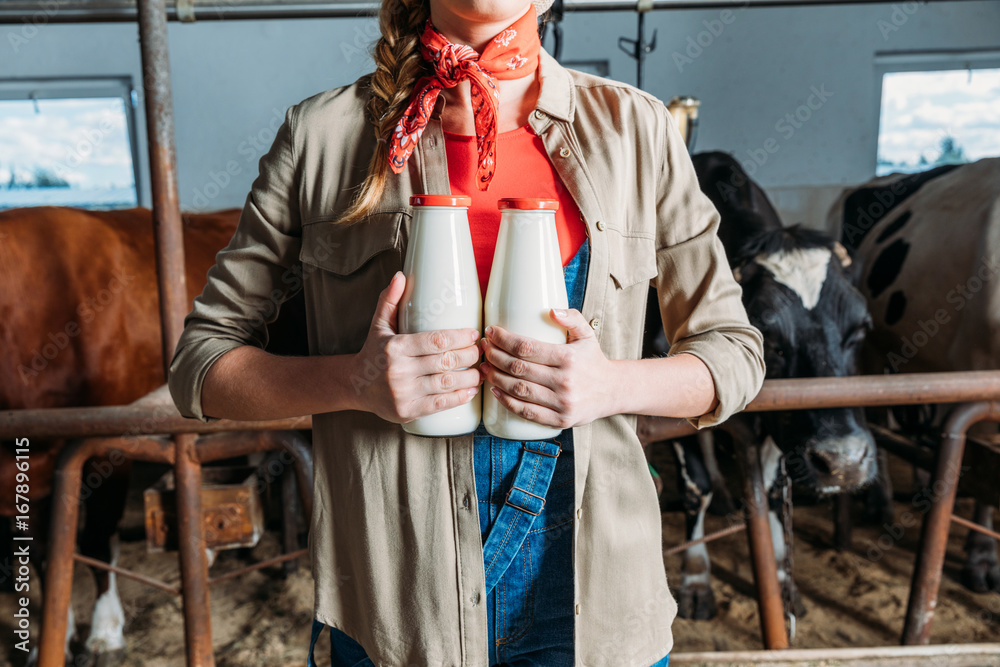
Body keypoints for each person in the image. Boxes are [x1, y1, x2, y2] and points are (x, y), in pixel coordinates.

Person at [167, 0, 765, 664]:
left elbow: (734, 355)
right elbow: (200, 365)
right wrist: (353, 381)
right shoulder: (321, 137)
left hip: (595, 604)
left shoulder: (636, 130)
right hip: (393, 607)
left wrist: (610, 384)